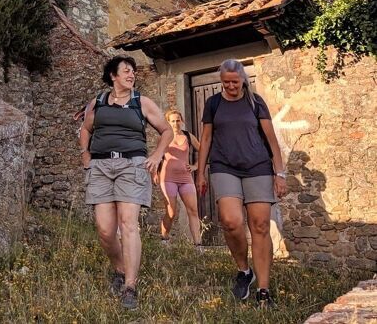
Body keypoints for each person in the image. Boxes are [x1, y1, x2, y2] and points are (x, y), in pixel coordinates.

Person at [79, 55, 173, 310]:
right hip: (100, 167)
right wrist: (86, 155)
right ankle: (119, 269)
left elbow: (167, 131)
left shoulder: (140, 102)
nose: (131, 75)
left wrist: (156, 155)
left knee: (128, 224)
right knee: (105, 230)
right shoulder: (97, 102)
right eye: (126, 71)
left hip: (132, 166)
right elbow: (86, 129)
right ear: (113, 76)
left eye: (133, 72)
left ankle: (130, 285)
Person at [195, 59, 287, 309]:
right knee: (231, 221)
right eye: (226, 82)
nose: (231, 86)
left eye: (235, 82)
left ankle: (264, 291)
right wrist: (201, 172)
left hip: (257, 167)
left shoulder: (256, 102)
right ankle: (244, 270)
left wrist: (280, 174)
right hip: (224, 166)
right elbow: (206, 138)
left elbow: (271, 140)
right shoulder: (213, 103)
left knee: (259, 226)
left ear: (243, 80)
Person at [154, 109, 202, 248]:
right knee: (171, 212)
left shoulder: (188, 136)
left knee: (193, 210)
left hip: (186, 177)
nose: (176, 123)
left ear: (182, 121)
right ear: (168, 122)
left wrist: (195, 166)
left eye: (178, 120)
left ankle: (198, 245)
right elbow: (157, 156)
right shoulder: (163, 137)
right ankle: (164, 239)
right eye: (173, 121)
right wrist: (154, 174)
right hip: (167, 177)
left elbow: (203, 150)